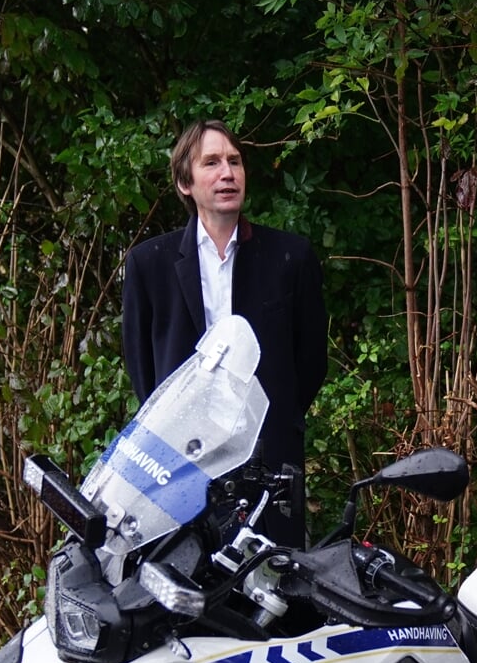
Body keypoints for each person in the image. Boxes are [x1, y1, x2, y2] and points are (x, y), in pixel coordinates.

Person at [120, 120, 328, 546]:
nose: (227, 173)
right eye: (211, 162)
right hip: (181, 463)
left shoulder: (289, 257)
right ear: (185, 182)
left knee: (275, 589)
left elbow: (310, 362)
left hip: (268, 459)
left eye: (234, 161)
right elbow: (143, 370)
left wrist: (271, 420)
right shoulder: (148, 265)